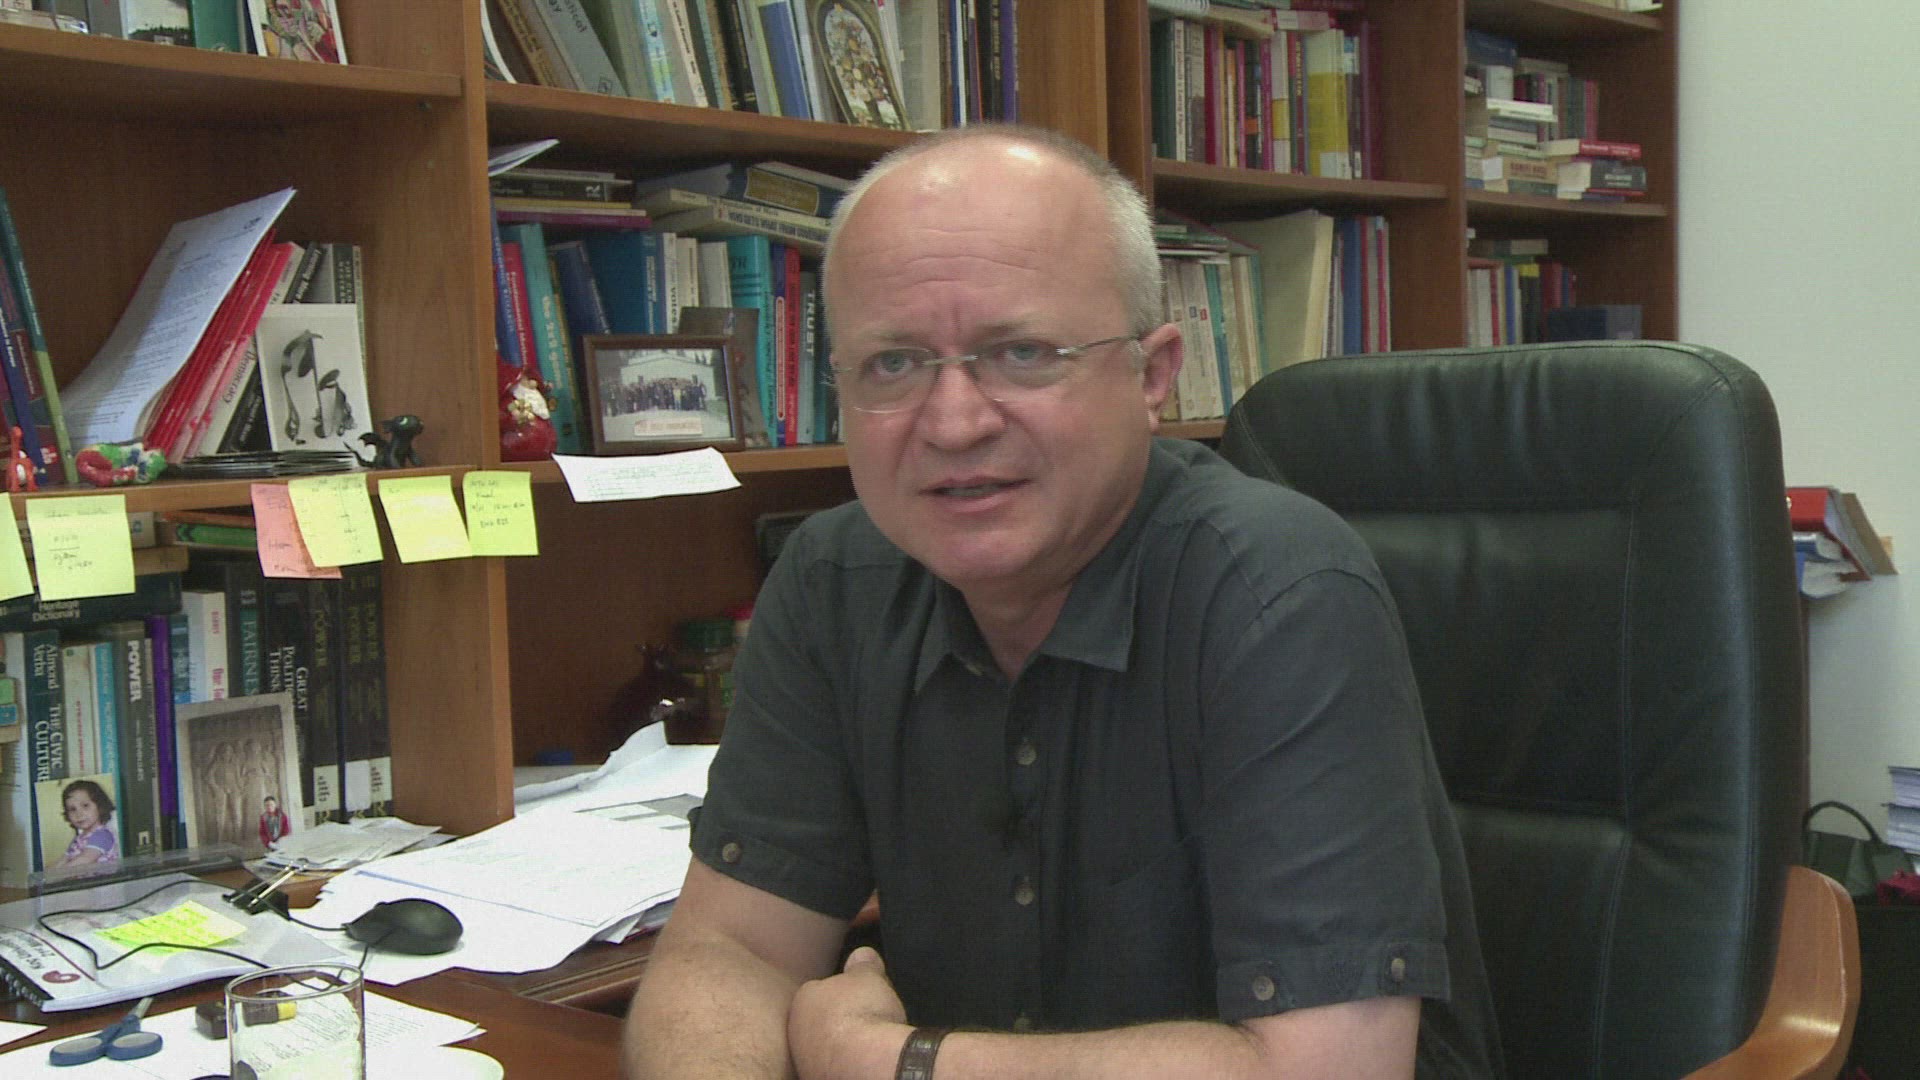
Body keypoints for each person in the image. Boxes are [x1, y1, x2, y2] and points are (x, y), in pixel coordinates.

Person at [623, 124, 1502, 1080]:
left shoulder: (1279, 596)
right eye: (893, 364)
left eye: (1022, 353)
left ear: (1152, 375)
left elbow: (1327, 1071)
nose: (954, 422)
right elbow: (734, 950)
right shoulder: (835, 583)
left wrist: (897, 1062)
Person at [57, 779, 119, 869]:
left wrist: (60, 873)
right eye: (72, 809)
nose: (79, 814)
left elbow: (86, 859)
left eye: (85, 806)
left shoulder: (102, 835)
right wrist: (47, 874)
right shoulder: (78, 839)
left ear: (100, 805)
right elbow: (63, 860)